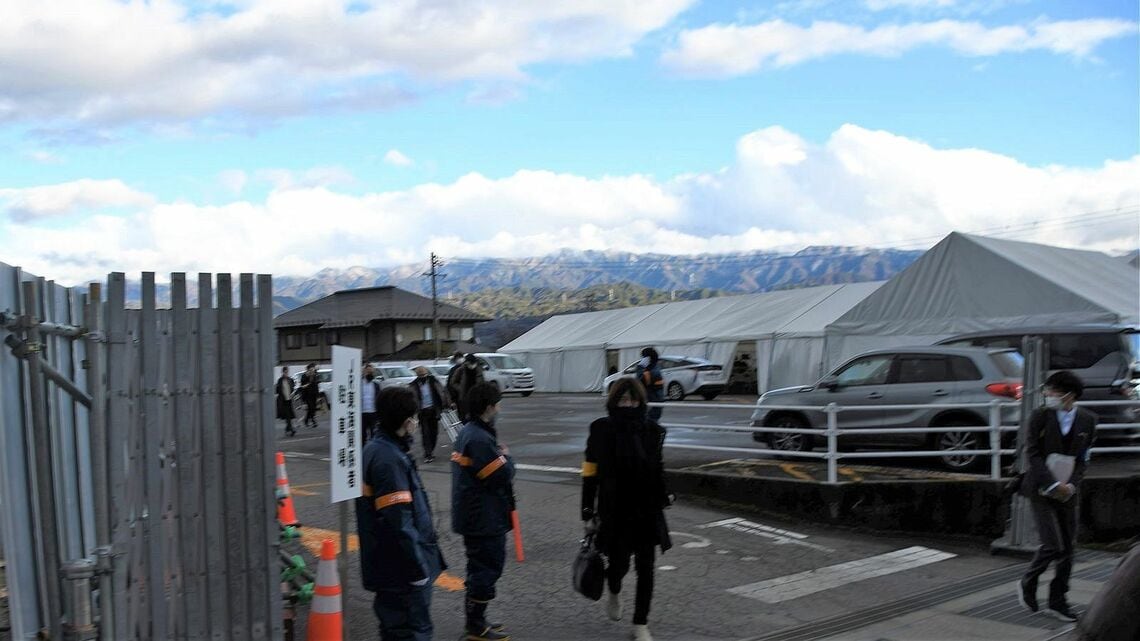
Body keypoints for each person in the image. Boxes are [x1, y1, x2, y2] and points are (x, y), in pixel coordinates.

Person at [581, 377, 672, 641]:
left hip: (647, 509)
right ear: (613, 401)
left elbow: (658, 468)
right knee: (618, 565)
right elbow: (589, 472)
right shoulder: (601, 430)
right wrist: (588, 512)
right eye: (622, 399)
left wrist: (666, 494)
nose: (628, 404)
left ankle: (640, 624)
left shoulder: (652, 431)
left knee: (646, 568)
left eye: (633, 400)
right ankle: (614, 590)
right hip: (615, 510)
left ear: (640, 401)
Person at [356, 386, 447, 641]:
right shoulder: (389, 459)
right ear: (407, 422)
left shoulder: (378, 448)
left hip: (389, 565)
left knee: (395, 629)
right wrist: (418, 571)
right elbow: (399, 522)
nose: (416, 423)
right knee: (410, 631)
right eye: (415, 418)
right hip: (400, 570)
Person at [1017, 370, 1097, 623]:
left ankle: (1058, 601)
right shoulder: (1040, 416)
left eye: (1051, 390)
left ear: (1068, 394)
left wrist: (1071, 485)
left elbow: (1083, 458)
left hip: (1069, 491)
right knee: (1052, 544)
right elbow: (1032, 453)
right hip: (1041, 487)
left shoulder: (1088, 419)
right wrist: (1052, 484)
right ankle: (1028, 582)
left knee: (1068, 549)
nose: (1047, 394)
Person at [451, 382, 514, 641]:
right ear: (489, 407)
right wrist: (507, 458)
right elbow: (501, 474)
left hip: (476, 514)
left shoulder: (471, 432)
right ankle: (475, 626)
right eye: (498, 403)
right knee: (486, 569)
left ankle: (476, 621)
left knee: (480, 567)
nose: (499, 408)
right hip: (483, 517)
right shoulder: (479, 438)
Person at [410, 366, 451, 464]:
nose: (423, 377)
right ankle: (428, 453)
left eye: (424, 375)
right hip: (422, 412)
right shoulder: (414, 385)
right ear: (418, 376)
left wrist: (447, 404)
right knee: (425, 433)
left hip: (434, 410)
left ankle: (431, 450)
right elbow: (411, 398)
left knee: (434, 432)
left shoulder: (433, 382)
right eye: (421, 375)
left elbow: (443, 392)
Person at [451, 354, 486, 422]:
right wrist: (460, 388)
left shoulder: (479, 370)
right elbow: (453, 382)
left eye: (470, 363)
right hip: (465, 397)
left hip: (477, 397)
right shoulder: (461, 370)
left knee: (476, 416)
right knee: (465, 417)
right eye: (467, 363)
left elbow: (482, 383)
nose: (469, 365)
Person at [634, 348, 665, 422]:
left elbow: (640, 380)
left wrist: (640, 367)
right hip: (656, 399)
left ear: (648, 357)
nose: (642, 359)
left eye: (643, 357)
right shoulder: (654, 367)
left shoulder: (652, 370)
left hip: (653, 400)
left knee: (650, 421)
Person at [361, 364, 381, 443]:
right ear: (364, 372)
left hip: (373, 413)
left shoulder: (376, 385)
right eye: (368, 372)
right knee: (362, 435)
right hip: (362, 413)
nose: (370, 374)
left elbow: (379, 399)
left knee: (374, 434)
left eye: (371, 372)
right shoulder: (358, 384)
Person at [276, 366, 297, 437]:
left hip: (289, 400)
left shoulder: (290, 380)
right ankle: (291, 429)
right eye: (285, 372)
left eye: (287, 372)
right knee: (287, 415)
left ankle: (287, 428)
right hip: (283, 401)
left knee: (289, 416)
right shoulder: (280, 380)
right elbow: (277, 390)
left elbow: (293, 388)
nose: (286, 373)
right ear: (283, 372)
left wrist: (292, 393)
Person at [300, 363, 320, 428]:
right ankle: (314, 421)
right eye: (311, 368)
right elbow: (302, 385)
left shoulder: (315, 375)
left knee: (312, 409)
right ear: (308, 369)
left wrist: (318, 396)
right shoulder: (304, 376)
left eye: (313, 368)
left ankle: (306, 420)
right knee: (311, 408)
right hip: (307, 395)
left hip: (314, 395)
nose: (312, 370)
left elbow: (316, 386)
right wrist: (307, 377)